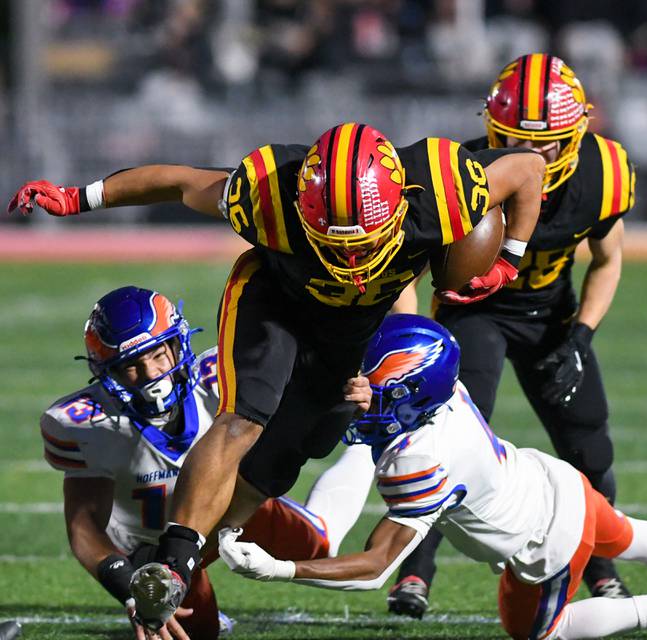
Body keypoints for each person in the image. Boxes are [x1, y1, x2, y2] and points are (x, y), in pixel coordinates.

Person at [10, 121, 545, 629]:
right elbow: (181, 182)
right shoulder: (267, 193)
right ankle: (172, 563)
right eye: (332, 240)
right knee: (243, 419)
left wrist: (510, 258)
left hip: (350, 329)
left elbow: (527, 168)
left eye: (361, 241)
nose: (348, 256)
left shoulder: (444, 187)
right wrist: (78, 198)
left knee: (284, 462)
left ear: (402, 202)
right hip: (275, 301)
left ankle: (181, 560)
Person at [217, 314, 647, 640]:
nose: (360, 392)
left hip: (543, 542)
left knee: (539, 634)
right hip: (553, 484)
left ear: (409, 396)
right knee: (632, 535)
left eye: (374, 385)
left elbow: (373, 569)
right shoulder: (443, 392)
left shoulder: (418, 458)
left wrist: (281, 569)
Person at [387, 53, 636, 617]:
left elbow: (607, 260)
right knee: (446, 440)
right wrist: (414, 336)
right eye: (516, 139)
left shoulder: (602, 172)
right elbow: (406, 269)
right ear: (491, 129)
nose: (532, 153)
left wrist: (582, 336)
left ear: (576, 133)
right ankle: (415, 571)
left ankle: (601, 564)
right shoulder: (461, 175)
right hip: (473, 311)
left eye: (546, 143)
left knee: (589, 446)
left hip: (550, 315)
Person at [40, 285, 374, 639]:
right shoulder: (83, 422)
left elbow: (307, 396)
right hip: (155, 552)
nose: (152, 374)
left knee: (318, 548)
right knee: (191, 633)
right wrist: (128, 585)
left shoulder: (224, 375)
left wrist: (345, 401)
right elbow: (85, 526)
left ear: (177, 344)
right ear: (106, 372)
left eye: (158, 354)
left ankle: (364, 450)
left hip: (232, 507)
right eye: (132, 366)